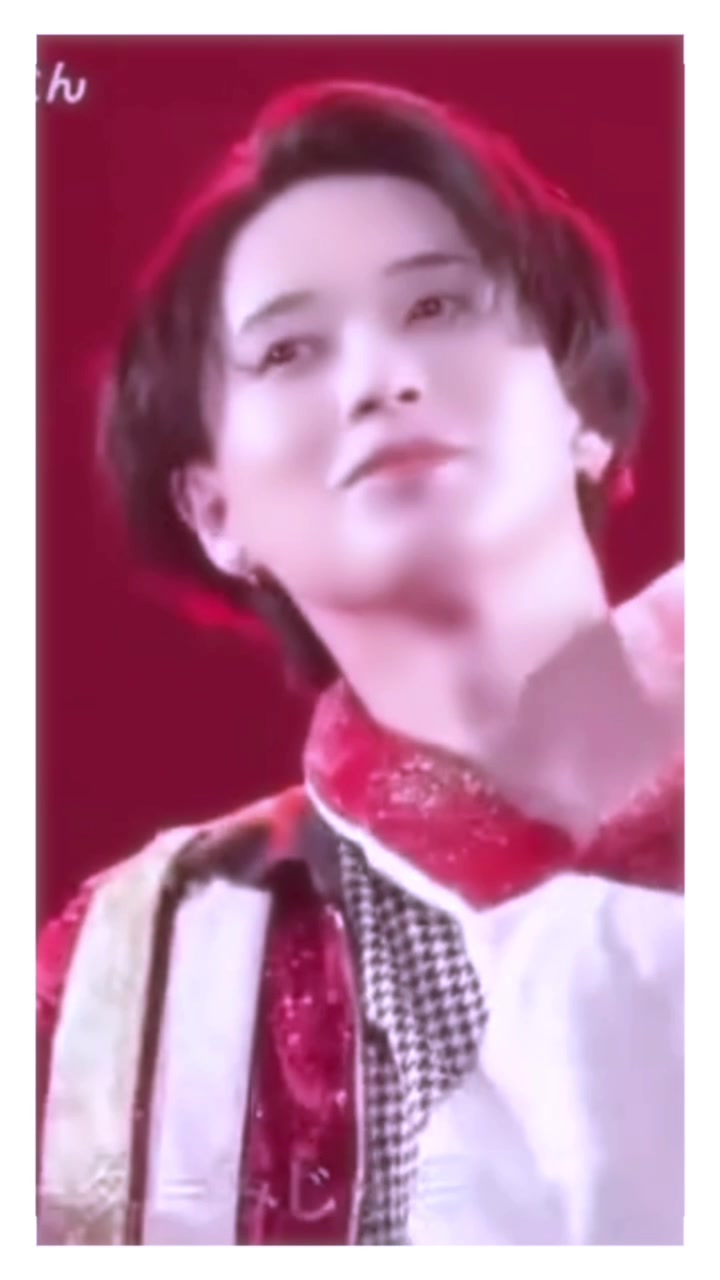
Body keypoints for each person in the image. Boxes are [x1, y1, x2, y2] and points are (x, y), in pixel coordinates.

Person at [37, 79, 684, 1246]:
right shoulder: (138, 977)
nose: (379, 378)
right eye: (288, 349)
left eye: (437, 305)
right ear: (215, 509)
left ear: (581, 408)